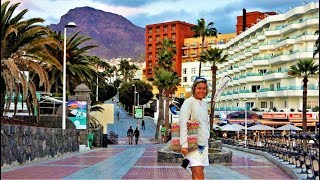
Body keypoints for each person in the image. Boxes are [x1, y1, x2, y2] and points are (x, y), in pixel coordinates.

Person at [180, 77, 210, 180]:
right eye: (199, 88)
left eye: (204, 88)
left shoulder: (204, 104)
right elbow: (183, 124)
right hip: (192, 145)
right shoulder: (188, 102)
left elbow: (204, 124)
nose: (202, 91)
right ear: (194, 89)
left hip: (203, 145)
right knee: (199, 176)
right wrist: (184, 144)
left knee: (197, 175)